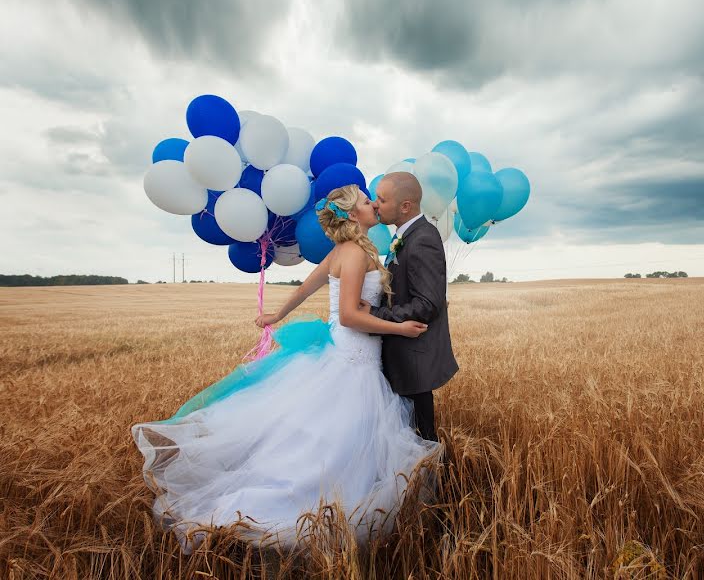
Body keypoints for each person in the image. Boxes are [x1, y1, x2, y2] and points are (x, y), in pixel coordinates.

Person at [132, 184, 440, 553]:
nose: (372, 202)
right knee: (338, 438)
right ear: (353, 216)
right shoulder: (355, 254)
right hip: (354, 357)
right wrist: (399, 327)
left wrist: (278, 313)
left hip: (345, 352)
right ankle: (298, 506)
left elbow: (306, 287)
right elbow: (349, 316)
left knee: (321, 433)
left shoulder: (342, 250)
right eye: (364, 200)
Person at [363, 172, 459, 442]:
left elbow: (427, 304)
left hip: (413, 361)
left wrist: (374, 315)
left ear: (405, 206)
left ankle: (438, 485)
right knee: (404, 441)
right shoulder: (407, 235)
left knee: (421, 441)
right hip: (400, 357)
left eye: (382, 199)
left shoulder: (423, 239)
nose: (375, 204)